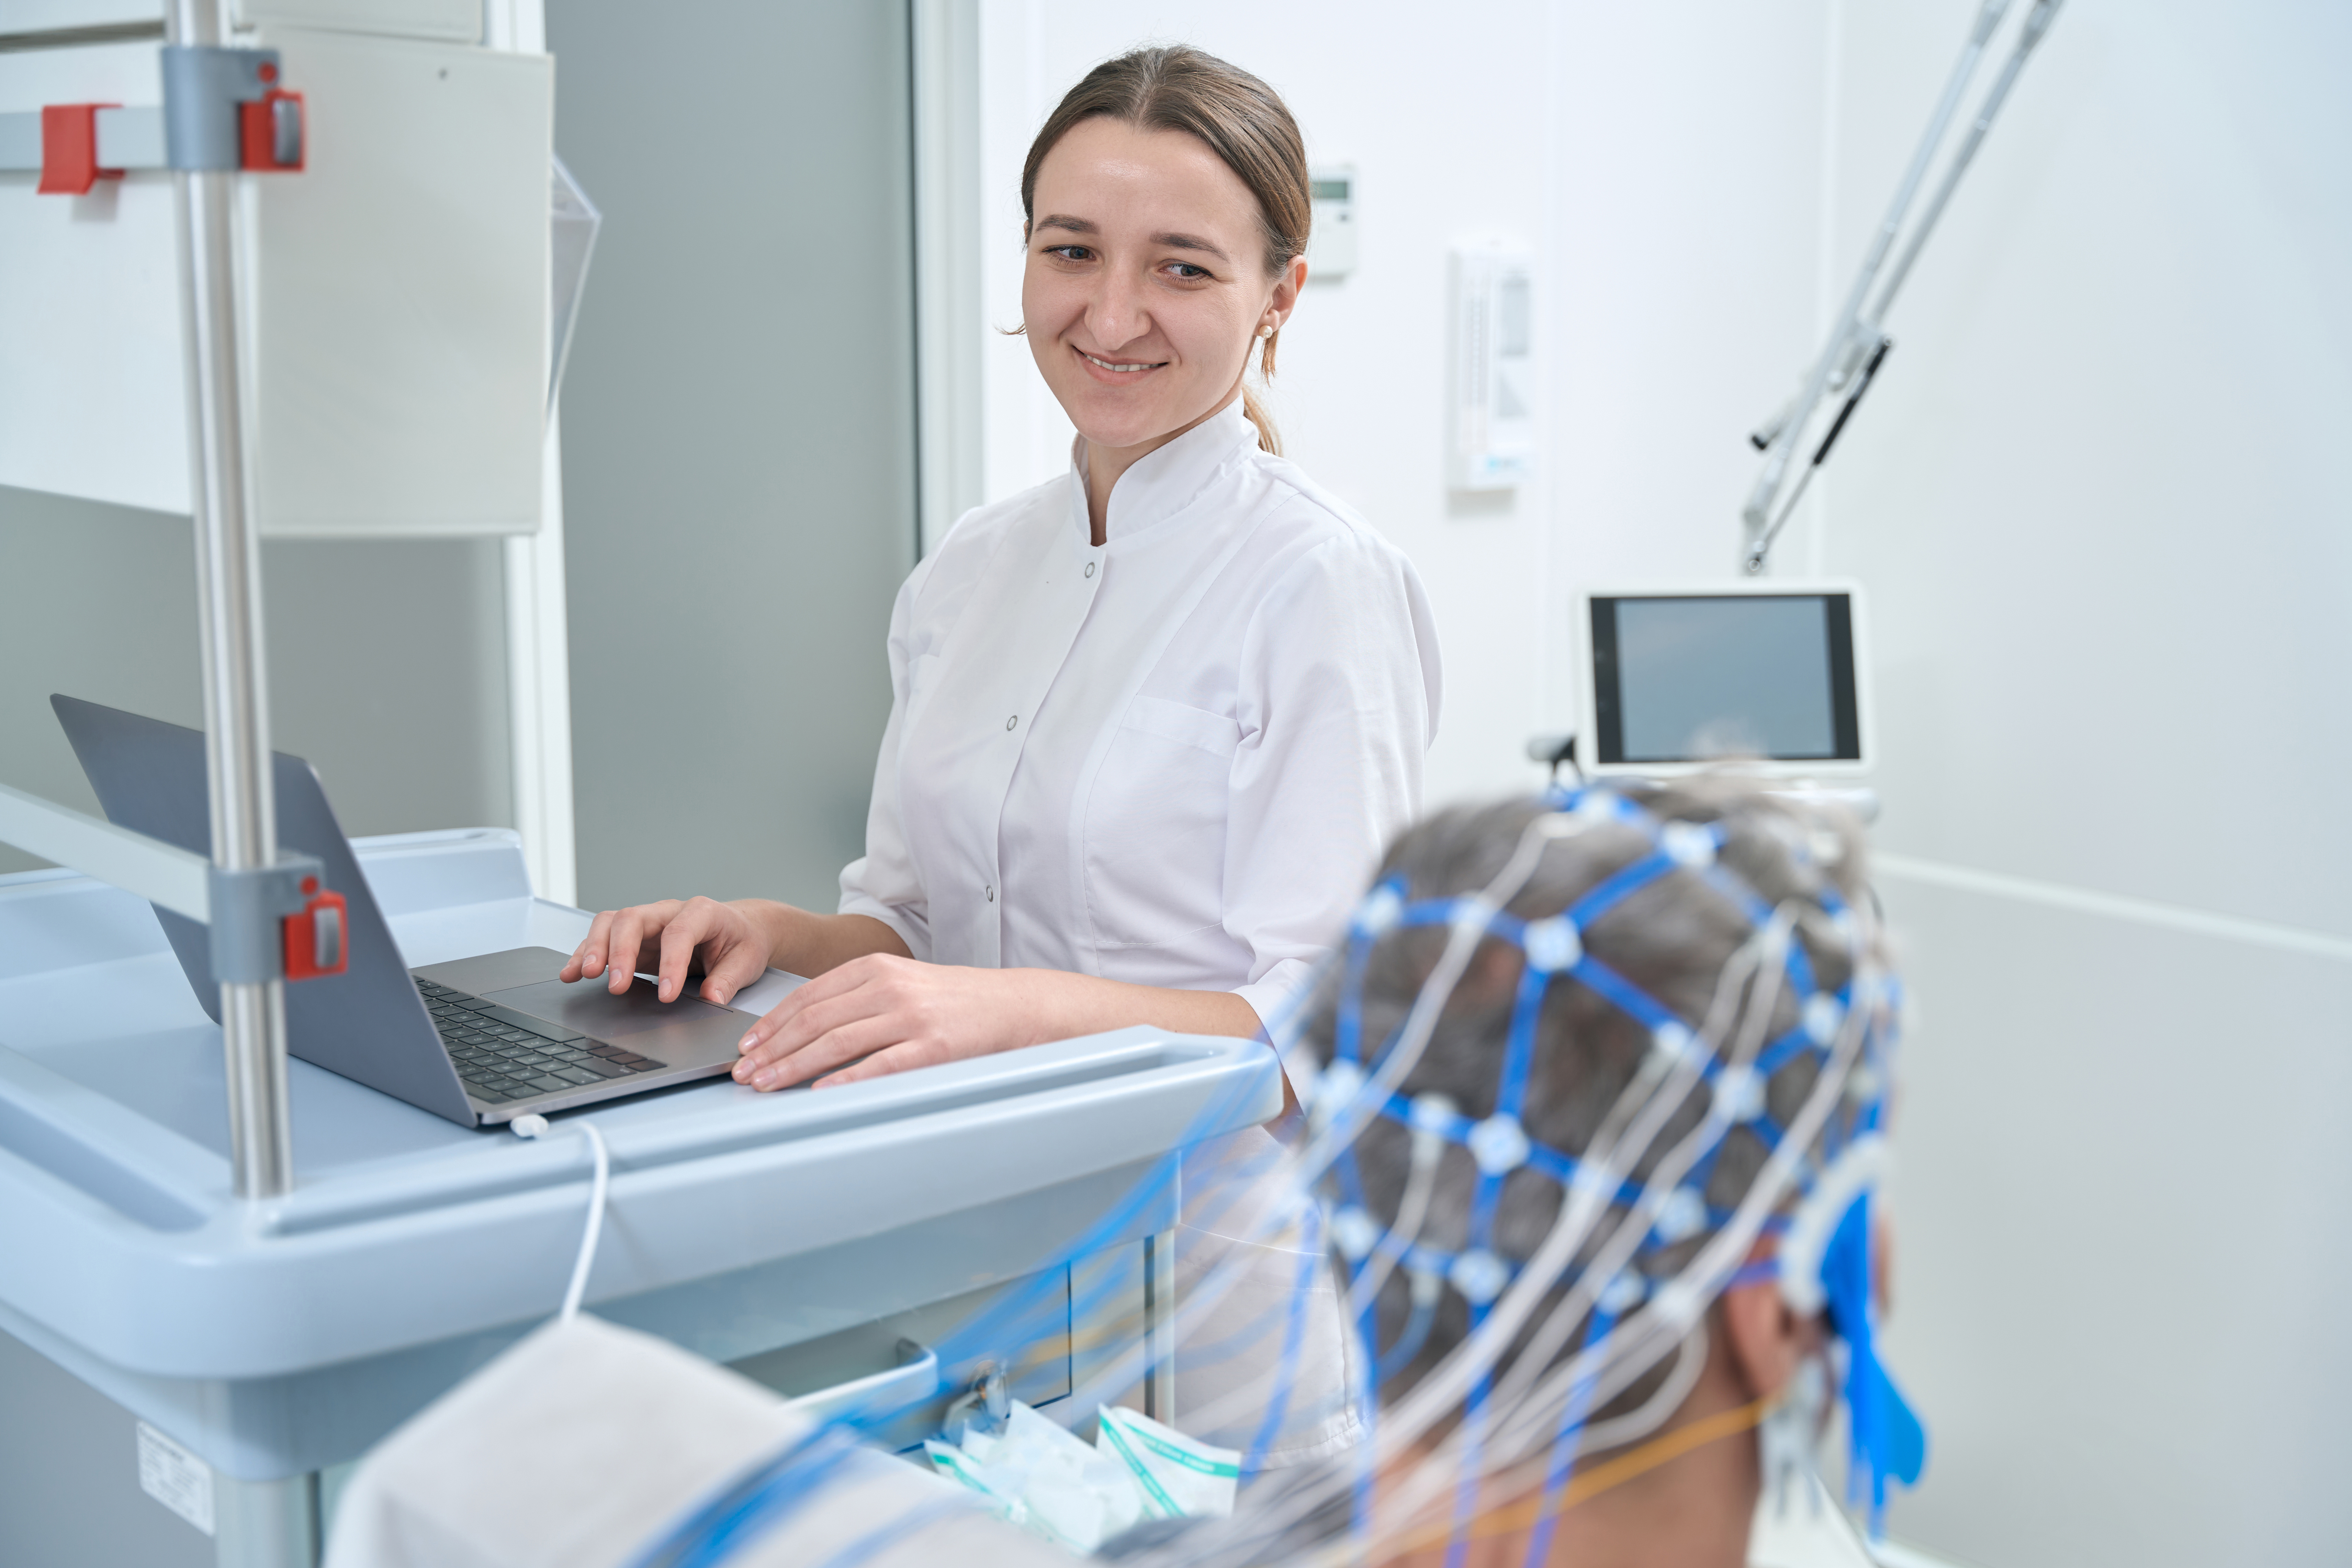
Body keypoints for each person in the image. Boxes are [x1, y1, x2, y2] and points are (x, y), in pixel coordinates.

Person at [558, 46, 1439, 1465]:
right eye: (1069, 250)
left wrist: (998, 1008)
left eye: (1182, 269)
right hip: (979, 1264)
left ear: (1277, 294)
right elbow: (908, 923)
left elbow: (1319, 1031)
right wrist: (760, 928)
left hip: (1217, 1293)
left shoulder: (1317, 582)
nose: (1110, 314)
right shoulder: (967, 574)